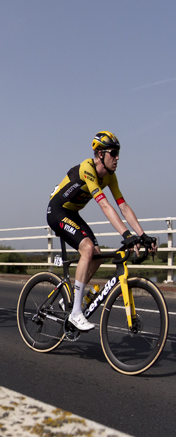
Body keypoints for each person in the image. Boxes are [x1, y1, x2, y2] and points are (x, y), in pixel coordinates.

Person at [47, 131, 157, 332]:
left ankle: (71, 301)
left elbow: (122, 206)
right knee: (88, 248)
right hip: (57, 211)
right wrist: (126, 234)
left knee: (97, 256)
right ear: (100, 154)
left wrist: (141, 235)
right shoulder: (87, 169)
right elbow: (105, 205)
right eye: (113, 153)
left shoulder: (110, 177)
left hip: (72, 214)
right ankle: (76, 313)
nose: (117, 158)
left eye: (118, 154)